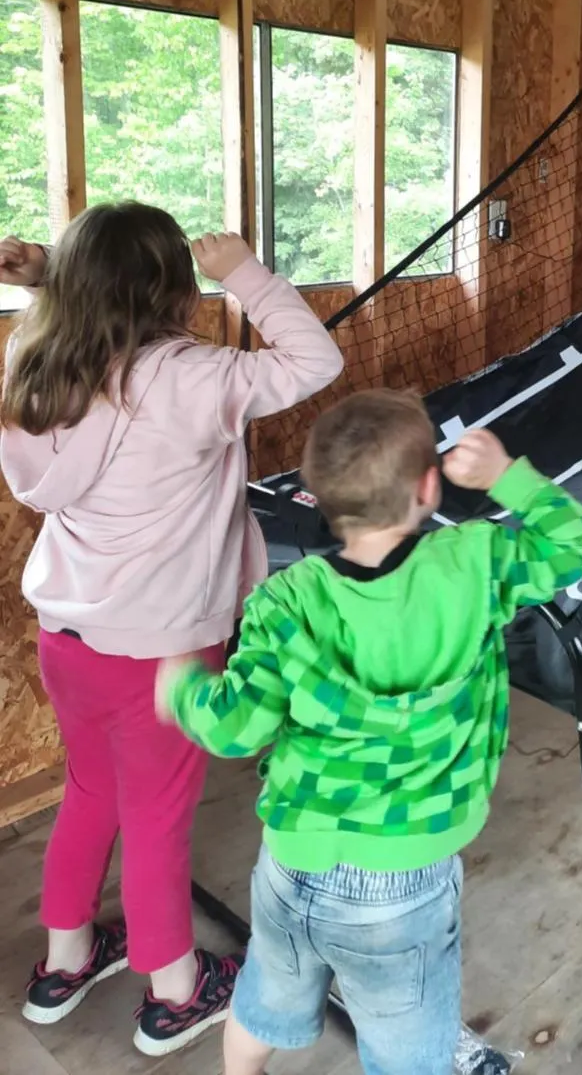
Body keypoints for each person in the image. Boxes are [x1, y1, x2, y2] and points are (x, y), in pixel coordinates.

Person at [156, 389, 582, 1075]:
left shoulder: (286, 597)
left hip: (291, 859)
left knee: (265, 1001)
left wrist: (184, 691)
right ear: (428, 487)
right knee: (408, 1054)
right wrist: (505, 475)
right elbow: (579, 544)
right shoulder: (474, 562)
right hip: (403, 882)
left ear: (318, 495)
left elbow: (237, 730)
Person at [0, 207, 343, 1057]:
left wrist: (56, 283)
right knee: (157, 819)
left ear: (73, 286)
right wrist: (248, 274)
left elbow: (97, 327)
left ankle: (64, 966)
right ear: (177, 290)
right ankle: (175, 992)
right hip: (164, 650)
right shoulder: (196, 374)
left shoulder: (35, 364)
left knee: (91, 793)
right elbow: (316, 360)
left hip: (68, 638)